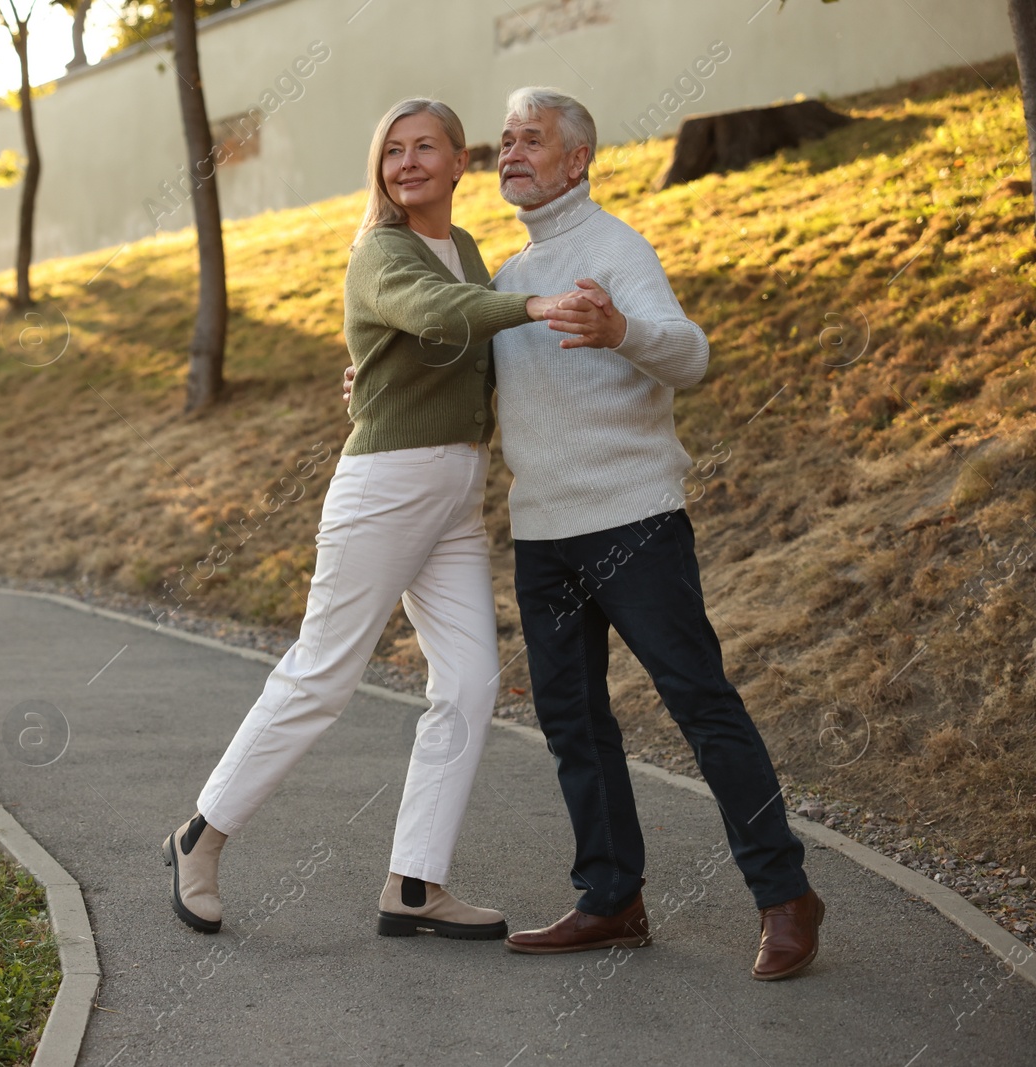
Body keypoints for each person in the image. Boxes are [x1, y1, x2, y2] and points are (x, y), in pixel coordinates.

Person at [343, 87, 823, 981]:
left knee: (700, 702)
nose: (512, 152)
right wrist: (368, 384)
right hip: (543, 534)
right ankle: (612, 898)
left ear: (578, 162)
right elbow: (464, 369)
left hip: (635, 520)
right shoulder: (502, 275)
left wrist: (622, 328)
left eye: (534, 140)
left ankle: (785, 893)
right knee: (575, 725)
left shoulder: (614, 249)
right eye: (507, 140)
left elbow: (692, 354)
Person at [164, 99, 587, 941]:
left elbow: (468, 351)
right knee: (323, 673)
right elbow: (431, 313)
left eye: (424, 146)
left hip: (455, 495)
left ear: (458, 161)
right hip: (387, 487)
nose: (406, 162)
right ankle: (198, 837)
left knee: (468, 683)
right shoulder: (381, 250)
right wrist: (537, 307)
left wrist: (384, 376)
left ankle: (416, 882)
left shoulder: (463, 248)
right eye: (392, 149)